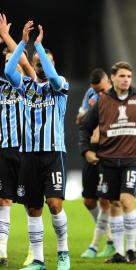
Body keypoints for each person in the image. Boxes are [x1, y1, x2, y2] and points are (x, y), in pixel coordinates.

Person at [79, 61, 136, 264]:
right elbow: (85, 127)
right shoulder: (103, 101)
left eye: (128, 76)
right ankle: (118, 252)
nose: (126, 79)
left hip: (131, 160)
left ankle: (131, 250)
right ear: (112, 78)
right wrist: (86, 151)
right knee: (114, 203)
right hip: (107, 161)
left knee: (126, 201)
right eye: (122, 76)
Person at [5, 21, 71, 270]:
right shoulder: (25, 88)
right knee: (33, 208)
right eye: (38, 63)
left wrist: (40, 47)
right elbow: (10, 72)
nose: (43, 66)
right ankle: (39, 259)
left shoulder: (60, 86)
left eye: (46, 62)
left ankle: (63, 253)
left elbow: (52, 76)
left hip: (53, 153)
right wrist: (23, 42)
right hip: (29, 155)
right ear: (32, 66)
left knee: (54, 204)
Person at [0, 14, 36, 267]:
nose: (10, 64)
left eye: (14, 61)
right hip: (3, 149)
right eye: (6, 61)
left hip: (26, 150)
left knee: (30, 203)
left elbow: (21, 60)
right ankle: (1, 250)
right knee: (3, 200)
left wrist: (7, 37)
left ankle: (34, 251)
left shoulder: (28, 84)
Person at [78, 68, 116, 259]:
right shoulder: (90, 94)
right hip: (91, 150)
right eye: (95, 90)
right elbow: (80, 119)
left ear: (109, 81)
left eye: (101, 89)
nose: (98, 93)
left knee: (105, 200)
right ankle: (110, 238)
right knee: (88, 200)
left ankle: (96, 245)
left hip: (108, 152)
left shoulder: (118, 97)